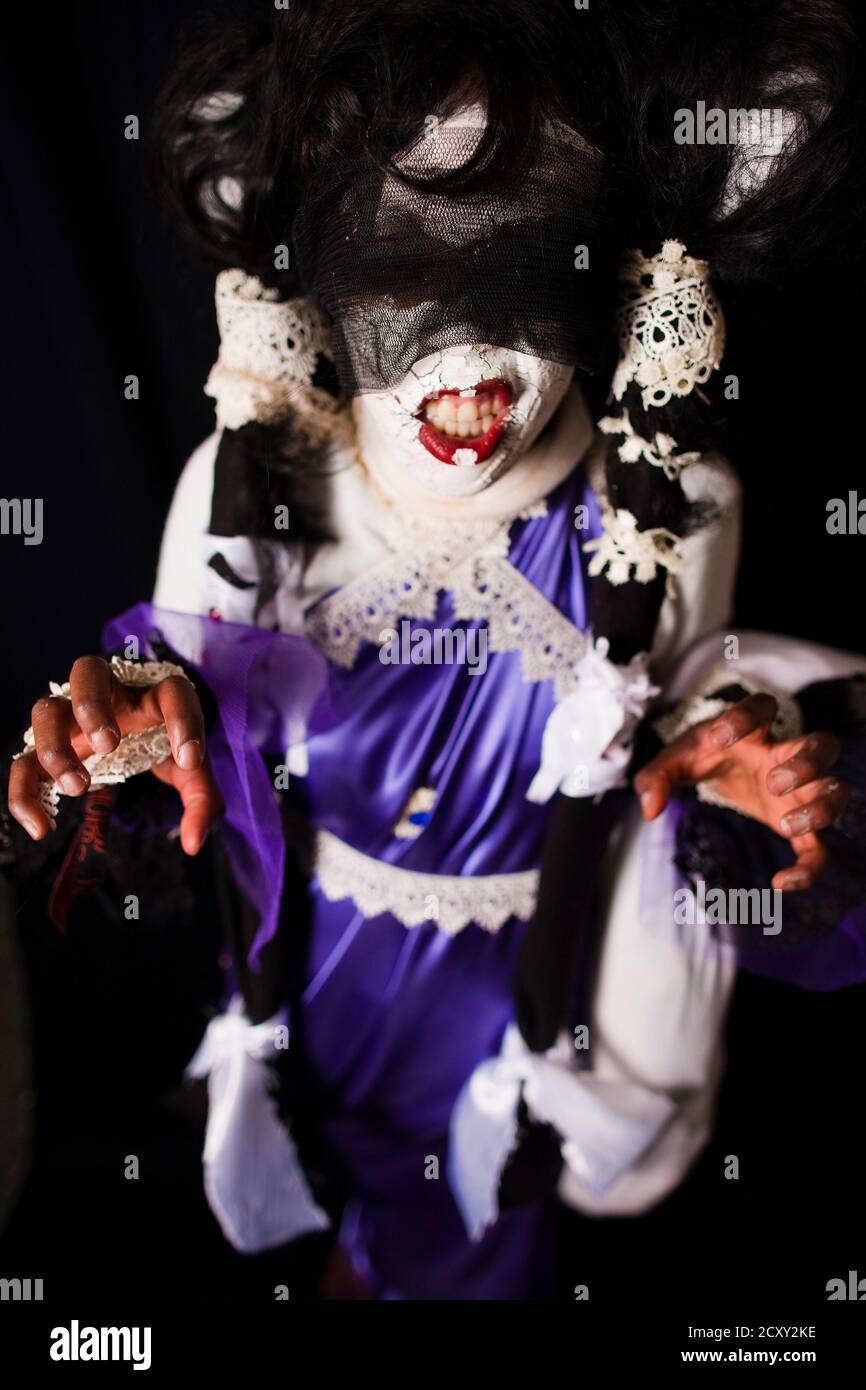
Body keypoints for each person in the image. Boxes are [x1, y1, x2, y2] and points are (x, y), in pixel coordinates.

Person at [6, 1, 866, 1299]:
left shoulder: (669, 515)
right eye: (400, 255)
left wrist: (721, 760)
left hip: (522, 1006)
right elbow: (191, 755)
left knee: (484, 1240)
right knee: (321, 1214)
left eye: (524, 261)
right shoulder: (250, 495)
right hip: (323, 984)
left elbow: (671, 745)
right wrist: (143, 731)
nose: (464, 355)